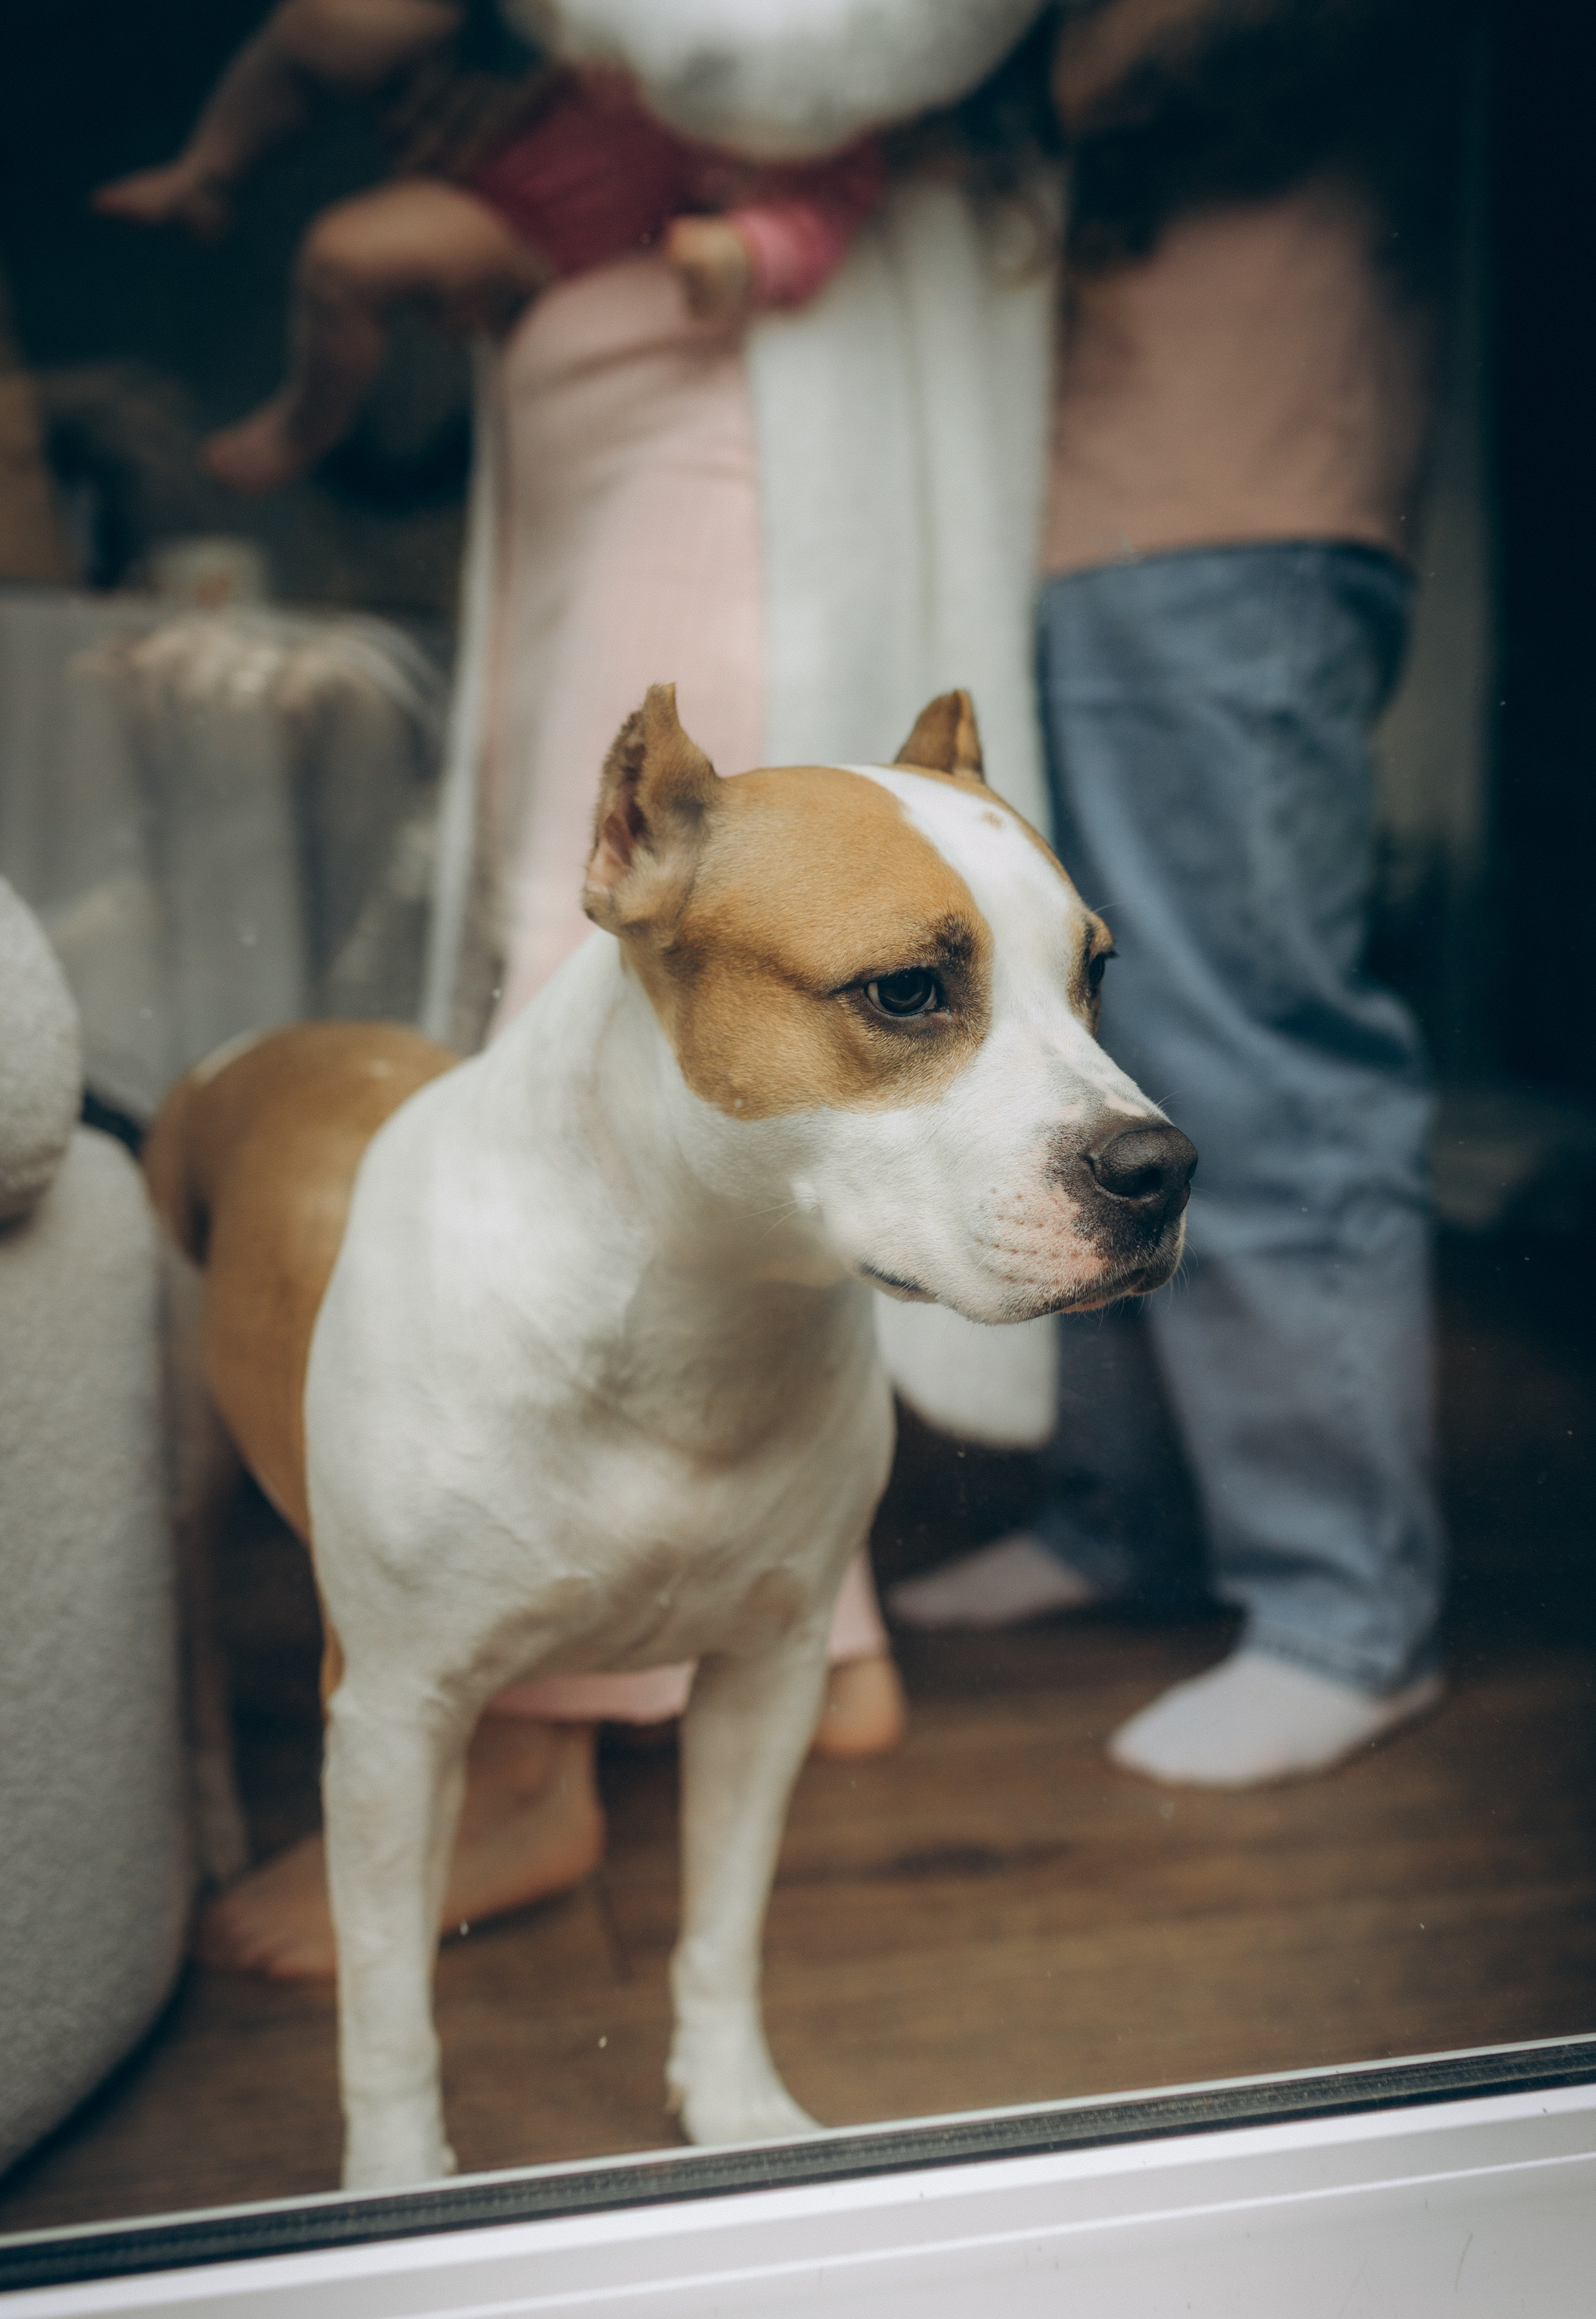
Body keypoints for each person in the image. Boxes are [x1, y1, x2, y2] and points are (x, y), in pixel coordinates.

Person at [196, 0, 1055, 1979]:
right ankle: (817, 1631)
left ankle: (537, 1765)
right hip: (609, 428)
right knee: (623, 1018)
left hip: (714, 432)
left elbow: (784, 57)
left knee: (624, 996)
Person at [891, 0, 1472, 1790]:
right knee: (1089, 1041)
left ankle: (1344, 1614)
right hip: (1076, 503)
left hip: (1229, 491)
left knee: (1246, 1036)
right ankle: (1122, 1517)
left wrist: (955, 79)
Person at [93, 0, 885, 495]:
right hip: (511, 83)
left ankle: (308, 423)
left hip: (530, 225)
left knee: (344, 260)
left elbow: (823, 211)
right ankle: (205, 170)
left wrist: (747, 251)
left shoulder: (825, 73)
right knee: (327, 22)